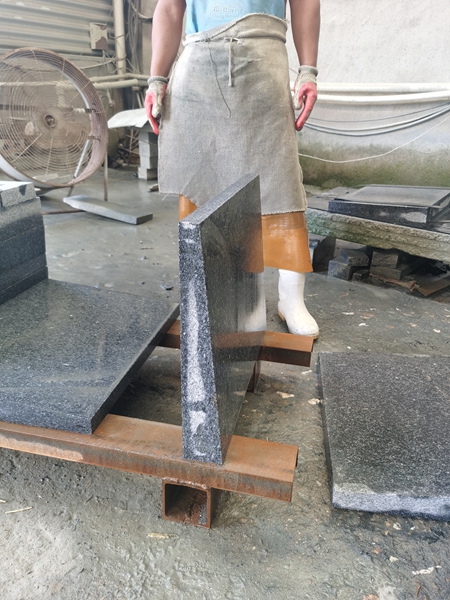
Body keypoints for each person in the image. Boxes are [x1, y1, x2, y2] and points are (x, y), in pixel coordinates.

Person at [145, 0, 321, 337]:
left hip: (263, 62)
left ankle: (291, 297)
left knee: (279, 183)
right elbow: (169, 7)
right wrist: (156, 78)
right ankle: (242, 297)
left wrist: (308, 70)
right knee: (204, 186)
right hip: (199, 70)